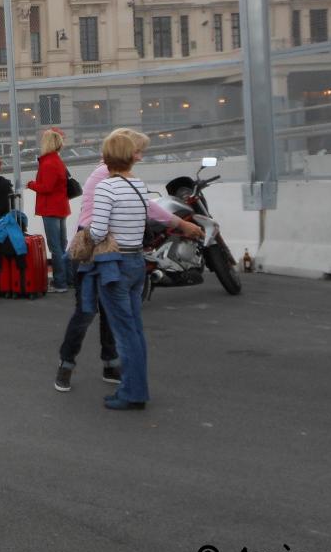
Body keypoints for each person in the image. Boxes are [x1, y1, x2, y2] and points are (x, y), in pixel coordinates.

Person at [54, 128, 203, 393]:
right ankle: (67, 364)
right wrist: (181, 223)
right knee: (88, 311)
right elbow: (147, 209)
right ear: (125, 152)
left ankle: (109, 364)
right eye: (138, 151)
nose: (141, 157)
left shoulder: (121, 176)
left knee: (108, 311)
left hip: (108, 250)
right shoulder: (105, 175)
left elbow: (144, 207)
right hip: (94, 250)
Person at [86, 131, 155, 411]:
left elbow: (98, 230)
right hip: (137, 262)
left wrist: (86, 240)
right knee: (135, 330)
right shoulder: (139, 185)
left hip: (115, 264)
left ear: (107, 156)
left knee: (123, 333)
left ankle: (132, 393)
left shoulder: (106, 187)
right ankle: (137, 387)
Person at [27, 128, 71, 293]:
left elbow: (46, 187)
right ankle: (67, 278)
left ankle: (60, 283)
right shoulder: (57, 161)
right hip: (61, 207)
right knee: (61, 245)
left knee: (56, 247)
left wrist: (31, 185)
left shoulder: (48, 163)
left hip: (50, 208)